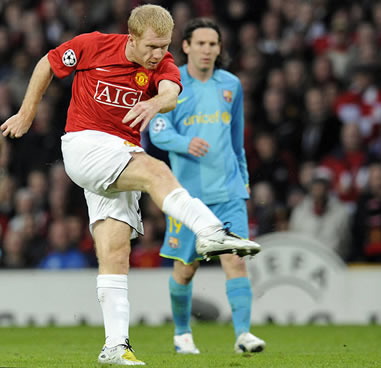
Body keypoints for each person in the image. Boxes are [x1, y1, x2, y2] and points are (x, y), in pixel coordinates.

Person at [1, 5, 260, 366]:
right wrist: (28, 112)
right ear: (132, 37)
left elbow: (170, 93)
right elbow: (48, 62)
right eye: (152, 46)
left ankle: (115, 346)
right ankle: (208, 229)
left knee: (115, 253)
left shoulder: (164, 65)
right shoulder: (93, 45)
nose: (159, 54)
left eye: (165, 46)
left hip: (121, 153)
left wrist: (155, 102)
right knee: (155, 171)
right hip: (85, 144)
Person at [148, 18, 265, 355]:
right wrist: (186, 143)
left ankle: (244, 335)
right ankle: (183, 334)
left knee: (236, 261)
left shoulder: (231, 85)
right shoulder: (170, 84)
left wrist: (243, 181)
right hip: (187, 198)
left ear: (219, 48)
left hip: (228, 192)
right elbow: (157, 130)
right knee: (186, 270)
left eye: (213, 44)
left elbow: (236, 139)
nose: (207, 50)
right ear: (185, 46)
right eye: (200, 43)